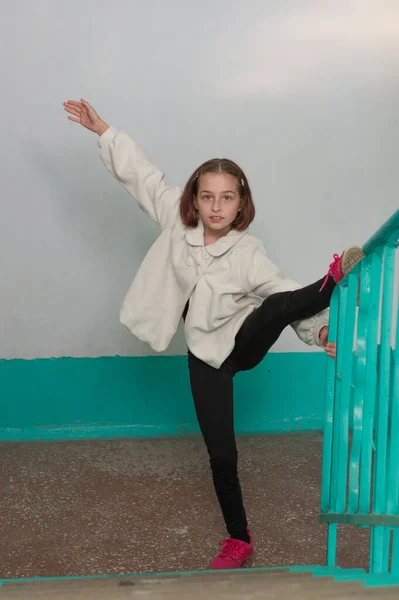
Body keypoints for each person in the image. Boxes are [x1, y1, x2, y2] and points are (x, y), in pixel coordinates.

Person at [63, 98, 364, 570]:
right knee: (221, 454)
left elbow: (282, 292)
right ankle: (238, 539)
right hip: (206, 358)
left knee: (278, 303)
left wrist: (319, 329)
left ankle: (333, 282)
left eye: (227, 198)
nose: (216, 206)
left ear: (241, 202)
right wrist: (103, 130)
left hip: (244, 342)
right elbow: (142, 178)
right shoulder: (175, 224)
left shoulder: (248, 251)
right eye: (207, 197)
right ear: (195, 199)